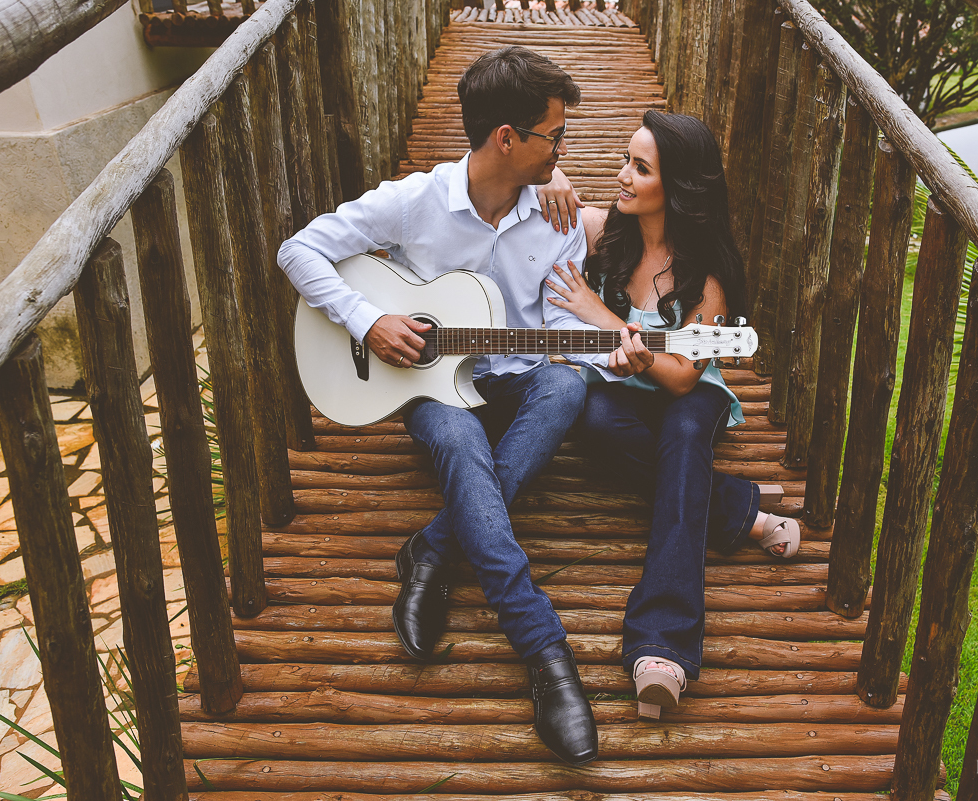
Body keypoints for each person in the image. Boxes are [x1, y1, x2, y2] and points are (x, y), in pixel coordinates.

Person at [277, 46, 649, 766]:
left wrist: (617, 350)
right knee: (455, 438)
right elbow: (299, 251)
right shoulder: (416, 201)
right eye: (555, 137)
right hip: (428, 386)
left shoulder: (556, 215)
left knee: (567, 385)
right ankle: (545, 651)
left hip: (516, 378)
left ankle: (435, 548)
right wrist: (367, 320)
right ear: (506, 137)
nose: (564, 152)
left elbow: (558, 323)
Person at [536, 110, 801, 721]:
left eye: (640, 167)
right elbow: (513, 187)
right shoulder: (603, 232)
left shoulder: (705, 277)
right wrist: (551, 176)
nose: (622, 176)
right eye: (625, 161)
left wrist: (602, 317)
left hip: (688, 394)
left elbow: (683, 375)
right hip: (621, 390)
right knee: (593, 420)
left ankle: (662, 642)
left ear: (676, 186)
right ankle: (739, 509)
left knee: (683, 434)